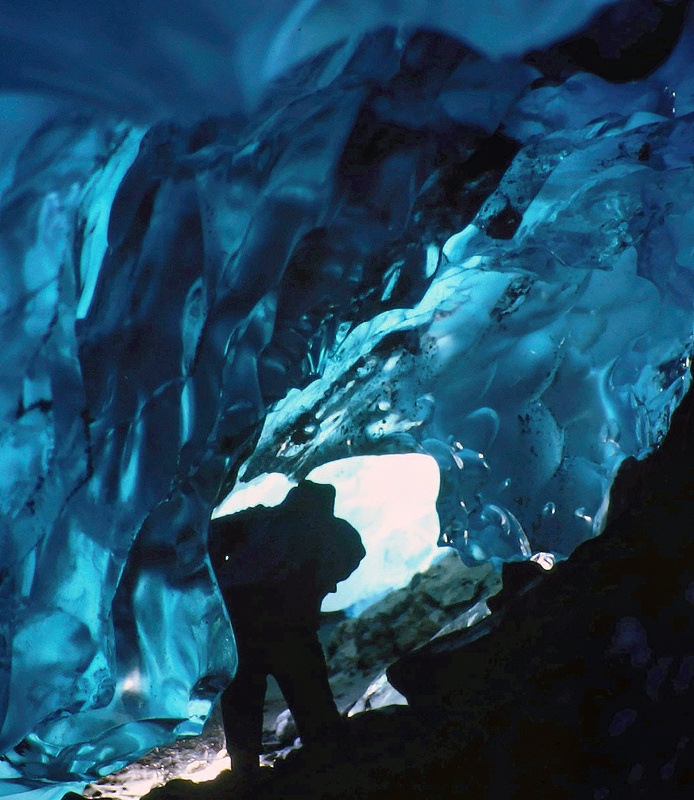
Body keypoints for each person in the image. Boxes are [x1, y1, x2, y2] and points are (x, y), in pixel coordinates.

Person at [208, 479, 365, 783]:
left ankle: (245, 771)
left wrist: (222, 576)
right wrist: (320, 582)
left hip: (243, 620)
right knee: (309, 695)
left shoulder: (259, 518)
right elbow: (354, 552)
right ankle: (332, 765)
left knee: (243, 696)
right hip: (291, 624)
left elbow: (210, 535)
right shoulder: (331, 530)